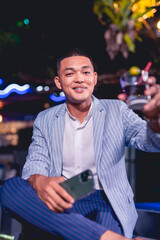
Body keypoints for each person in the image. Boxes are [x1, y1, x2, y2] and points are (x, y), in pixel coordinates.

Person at [1, 48, 160, 240]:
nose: (79, 79)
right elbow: (35, 163)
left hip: (105, 200)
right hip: (62, 196)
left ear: (94, 78)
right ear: (59, 82)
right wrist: (39, 180)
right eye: (70, 73)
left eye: (85, 72)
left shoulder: (116, 110)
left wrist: (155, 121)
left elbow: (151, 142)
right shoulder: (46, 119)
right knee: (10, 188)